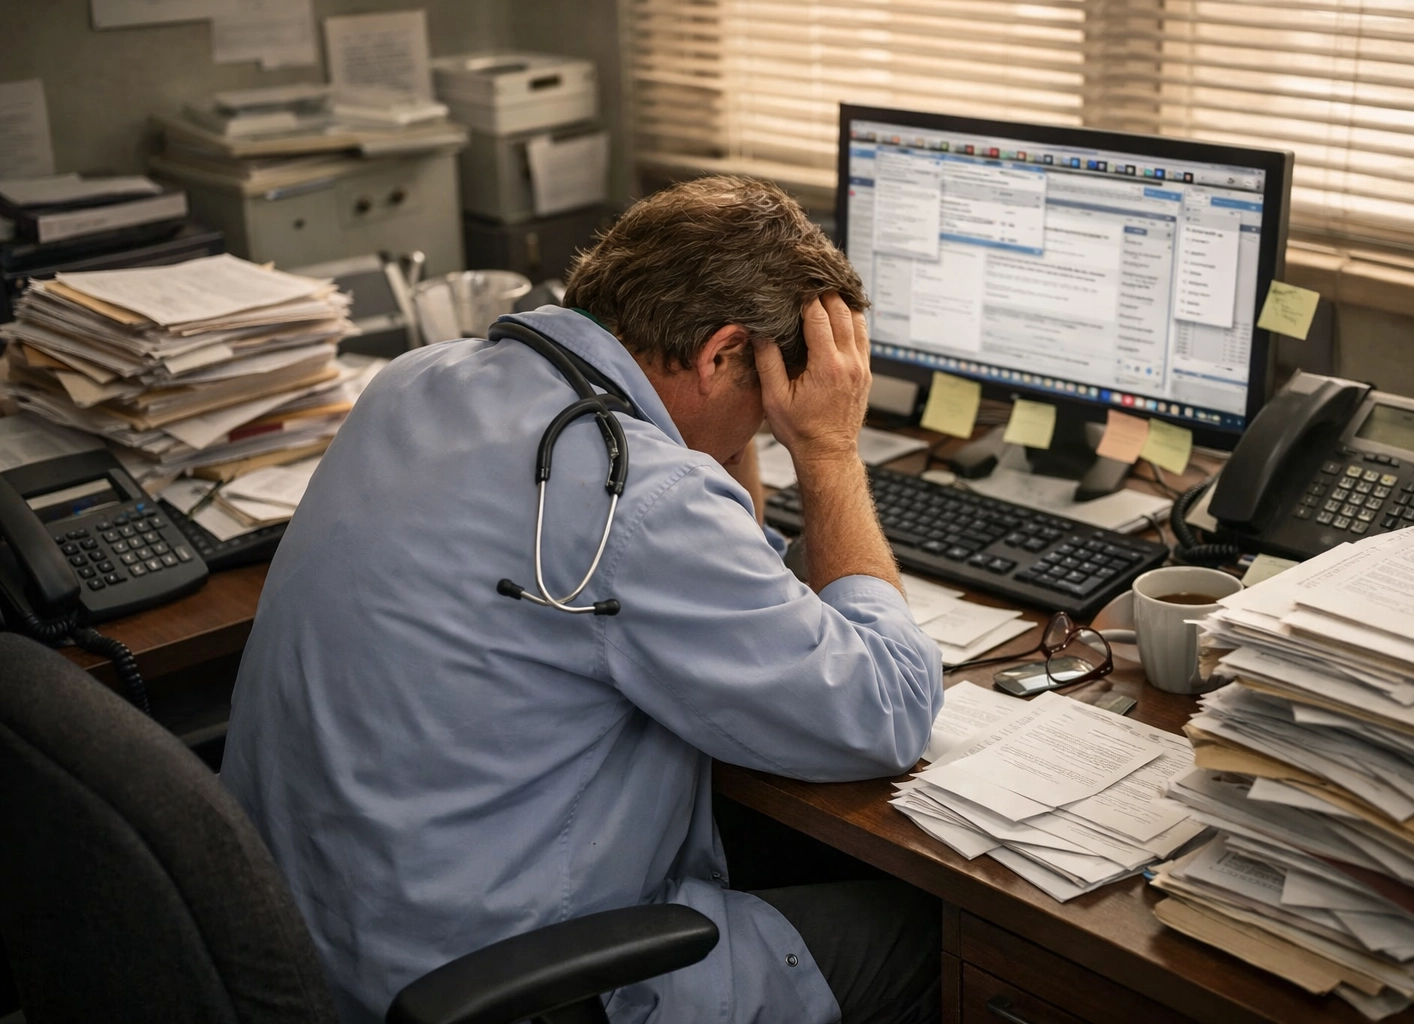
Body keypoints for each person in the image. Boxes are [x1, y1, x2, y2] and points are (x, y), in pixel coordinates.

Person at [220, 176, 946, 1024]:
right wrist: (827, 451)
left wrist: (734, 424)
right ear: (718, 357)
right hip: (503, 980)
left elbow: (718, 544)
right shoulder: (638, 497)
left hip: (313, 938)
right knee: (935, 937)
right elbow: (886, 714)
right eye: (762, 407)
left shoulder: (415, 380)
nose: (762, 430)